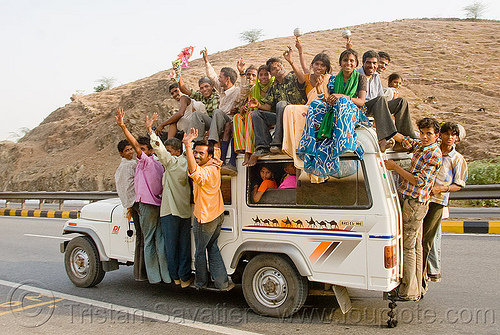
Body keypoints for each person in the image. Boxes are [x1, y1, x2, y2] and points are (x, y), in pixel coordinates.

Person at [385, 117, 443, 301]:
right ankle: (416, 288)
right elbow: (407, 141)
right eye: (423, 133)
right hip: (413, 202)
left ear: (437, 136)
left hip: (415, 203)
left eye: (429, 134)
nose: (425, 137)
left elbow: (418, 181)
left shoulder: (433, 154)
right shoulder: (422, 146)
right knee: (416, 247)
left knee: (408, 247)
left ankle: (408, 291)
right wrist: (389, 130)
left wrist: (395, 167)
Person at [115, 108, 170, 284]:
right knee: (159, 239)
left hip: (146, 204)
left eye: (141, 149)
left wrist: (123, 127)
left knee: (147, 240)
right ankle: (165, 276)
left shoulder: (145, 161)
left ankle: (153, 277)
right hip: (159, 203)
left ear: (147, 151)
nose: (137, 152)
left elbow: (135, 144)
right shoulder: (159, 162)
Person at [296, 49, 370, 177]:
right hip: (335, 110)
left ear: (356, 63)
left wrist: (343, 96)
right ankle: (310, 144)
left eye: (351, 60)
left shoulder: (360, 78)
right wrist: (319, 89)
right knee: (315, 104)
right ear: (340, 63)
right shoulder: (334, 80)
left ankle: (343, 142)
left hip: (353, 110)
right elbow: (328, 101)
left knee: (342, 101)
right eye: (345, 60)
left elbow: (361, 101)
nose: (348, 63)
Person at [182, 128, 233, 291]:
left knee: (200, 251)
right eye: (196, 153)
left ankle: (200, 282)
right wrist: (203, 144)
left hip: (205, 217)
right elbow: (216, 151)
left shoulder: (208, 171)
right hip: (216, 214)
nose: (197, 156)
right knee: (213, 247)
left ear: (209, 156)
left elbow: (194, 172)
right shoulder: (214, 163)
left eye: (201, 154)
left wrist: (188, 146)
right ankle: (221, 282)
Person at [147, 113, 194, 288]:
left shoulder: (172, 163)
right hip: (185, 211)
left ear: (174, 152)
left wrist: (150, 131)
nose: (164, 155)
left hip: (169, 212)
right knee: (184, 247)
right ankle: (185, 276)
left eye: (168, 151)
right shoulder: (188, 162)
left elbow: (158, 149)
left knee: (171, 247)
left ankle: (175, 276)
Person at [421, 122, 468, 292]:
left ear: (457, 138)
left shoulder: (457, 159)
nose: (449, 137)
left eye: (453, 135)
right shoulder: (432, 149)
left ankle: (423, 276)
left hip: (437, 202)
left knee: (427, 240)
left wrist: (440, 188)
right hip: (420, 198)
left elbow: (458, 185)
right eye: (446, 133)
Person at [247, 53, 307, 159]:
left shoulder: (293, 76)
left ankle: (277, 142)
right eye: (274, 69)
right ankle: (263, 146)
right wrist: (259, 105)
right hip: (281, 117)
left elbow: (302, 79)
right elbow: (268, 107)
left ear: (283, 66)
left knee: (281, 104)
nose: (278, 69)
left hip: (297, 114)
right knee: (256, 113)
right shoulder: (274, 87)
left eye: (279, 66)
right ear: (272, 74)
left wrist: (291, 61)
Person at [358, 50, 417, 151]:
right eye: (368, 62)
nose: (371, 66)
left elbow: (381, 96)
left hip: (378, 105)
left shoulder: (375, 76)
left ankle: (407, 138)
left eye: (374, 63)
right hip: (363, 108)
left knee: (401, 102)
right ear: (363, 63)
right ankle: (386, 138)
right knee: (380, 100)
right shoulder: (357, 75)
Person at [114, 139, 147, 281]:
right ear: (121, 153)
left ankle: (139, 272)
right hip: (137, 204)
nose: (130, 152)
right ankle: (142, 271)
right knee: (144, 237)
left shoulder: (120, 168)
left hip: (130, 204)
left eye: (130, 149)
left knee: (140, 237)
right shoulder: (132, 165)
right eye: (126, 150)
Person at [233, 63, 274, 166]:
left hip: (270, 115)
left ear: (270, 75)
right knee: (237, 117)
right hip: (256, 114)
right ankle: (242, 148)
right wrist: (243, 109)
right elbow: (250, 105)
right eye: (261, 75)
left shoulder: (273, 86)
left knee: (251, 115)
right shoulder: (254, 89)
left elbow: (268, 107)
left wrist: (256, 107)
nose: (264, 77)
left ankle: (249, 152)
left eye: (266, 74)